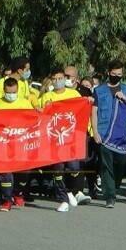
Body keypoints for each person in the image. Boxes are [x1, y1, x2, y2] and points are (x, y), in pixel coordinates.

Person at [91, 61, 126, 208]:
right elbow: (94, 112)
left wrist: (125, 99)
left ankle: (115, 185)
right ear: (108, 72)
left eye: (119, 74)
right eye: (114, 74)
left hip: (122, 135)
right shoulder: (99, 90)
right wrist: (95, 131)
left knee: (121, 164)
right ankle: (110, 196)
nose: (116, 76)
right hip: (104, 134)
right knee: (106, 165)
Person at [40, 71, 85, 212]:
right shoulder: (47, 96)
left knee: (74, 168)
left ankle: (71, 190)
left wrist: (88, 101)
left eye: (60, 78)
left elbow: (82, 110)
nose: (57, 81)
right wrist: (42, 108)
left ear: (65, 79)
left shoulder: (74, 94)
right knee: (58, 169)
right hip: (54, 140)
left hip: (71, 139)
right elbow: (41, 117)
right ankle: (63, 199)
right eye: (54, 79)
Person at [0, 77, 34, 212]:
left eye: (14, 92)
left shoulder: (25, 103)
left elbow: (33, 121)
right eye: (8, 92)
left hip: (21, 144)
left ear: (18, 90)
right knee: (5, 174)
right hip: (2, 144)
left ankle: (17, 193)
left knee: (23, 173)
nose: (11, 95)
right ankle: (6, 200)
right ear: (4, 91)